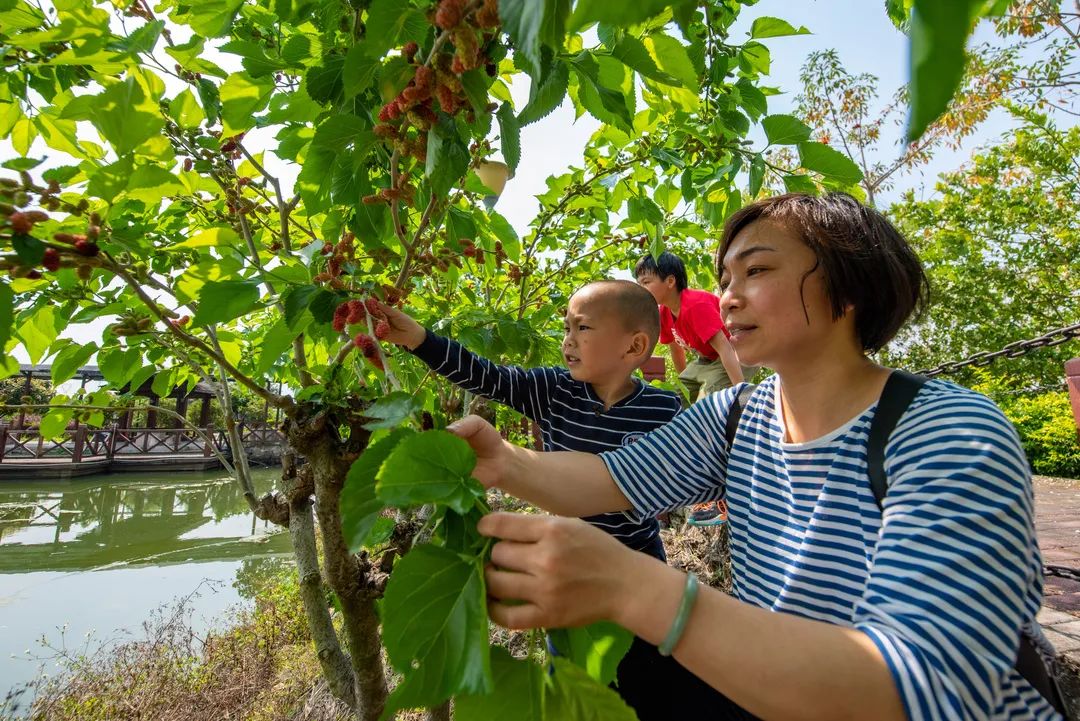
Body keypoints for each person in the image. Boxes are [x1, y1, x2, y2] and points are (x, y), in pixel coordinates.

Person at [450, 193, 1063, 721]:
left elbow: (919, 688)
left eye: (757, 270)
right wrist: (503, 462)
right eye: (724, 280)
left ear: (847, 288)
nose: (728, 298)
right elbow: (609, 478)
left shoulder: (947, 431)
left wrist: (635, 587)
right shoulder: (739, 414)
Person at [377, 280, 728, 718]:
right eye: (566, 327)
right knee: (575, 674)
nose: (567, 340)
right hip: (564, 563)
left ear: (634, 346)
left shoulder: (663, 410)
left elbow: (676, 485)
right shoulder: (552, 390)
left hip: (638, 562)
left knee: (644, 674)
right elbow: (488, 376)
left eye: (582, 328)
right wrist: (419, 340)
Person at [634, 250, 744, 525]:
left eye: (646, 282)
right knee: (671, 401)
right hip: (706, 359)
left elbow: (726, 349)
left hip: (733, 354)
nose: (641, 288)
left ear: (670, 281)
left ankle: (718, 499)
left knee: (708, 414)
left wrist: (740, 394)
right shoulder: (664, 312)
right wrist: (686, 387)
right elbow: (676, 351)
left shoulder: (695, 306)